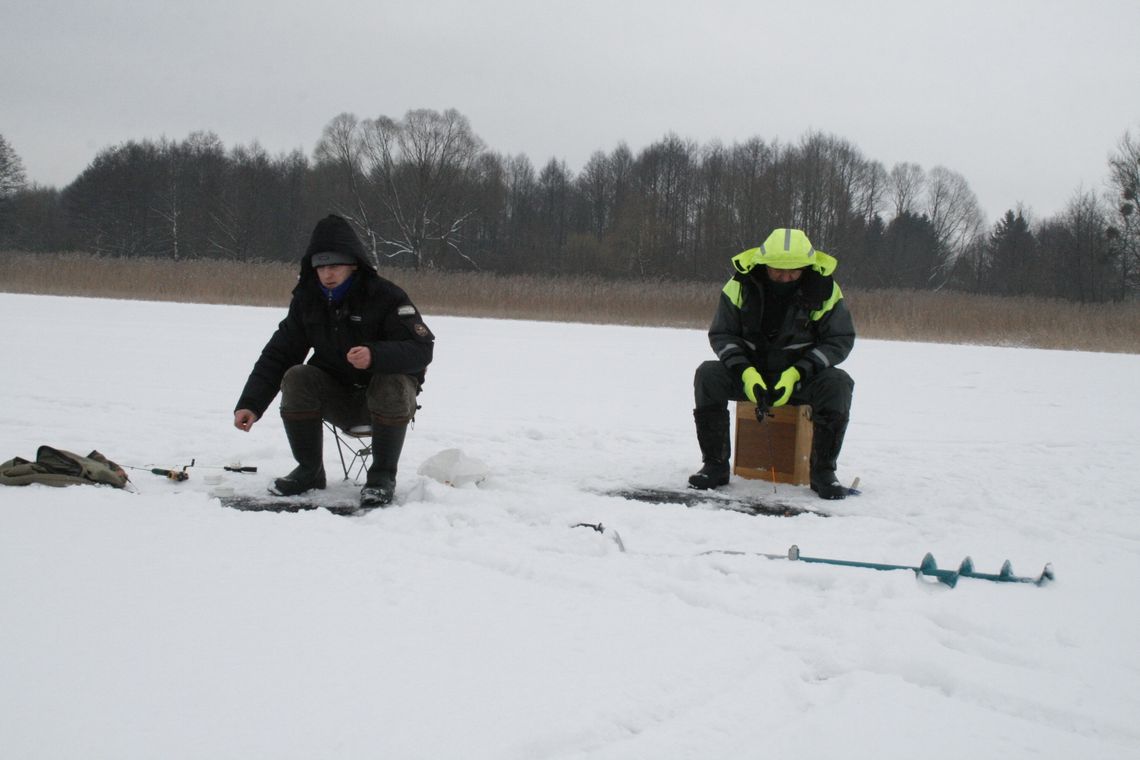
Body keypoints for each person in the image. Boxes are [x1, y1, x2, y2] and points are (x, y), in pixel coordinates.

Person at [233, 214, 434, 509]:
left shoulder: (386, 296)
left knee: (392, 379)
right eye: (321, 266)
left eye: (335, 265)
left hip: (384, 401)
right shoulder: (307, 301)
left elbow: (421, 349)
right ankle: (309, 472)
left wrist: (375, 355)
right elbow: (278, 353)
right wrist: (251, 403)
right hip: (336, 397)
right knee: (297, 375)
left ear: (354, 265)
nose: (328, 273)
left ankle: (381, 479)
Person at [689, 228, 855, 500]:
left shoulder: (826, 290)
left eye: (794, 272)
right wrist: (745, 372)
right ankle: (715, 465)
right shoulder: (739, 285)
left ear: (807, 267)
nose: (785, 277)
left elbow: (839, 340)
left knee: (838, 383)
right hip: (751, 375)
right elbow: (722, 334)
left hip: (801, 378)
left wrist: (797, 373)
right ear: (764, 265)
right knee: (708, 374)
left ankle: (823, 472)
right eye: (777, 272)